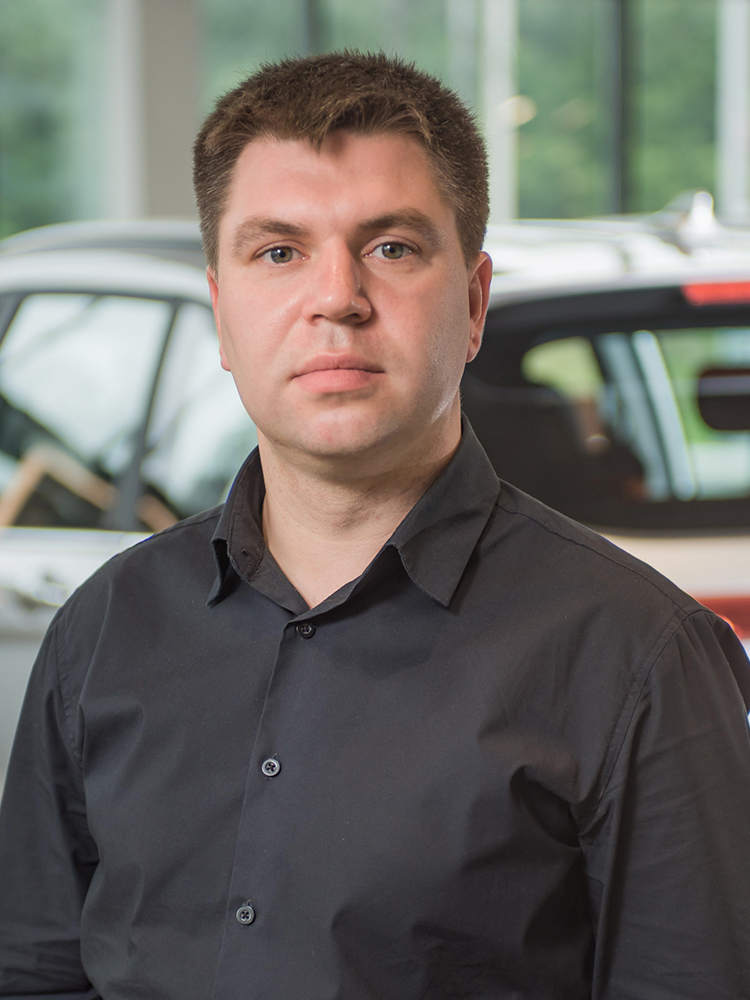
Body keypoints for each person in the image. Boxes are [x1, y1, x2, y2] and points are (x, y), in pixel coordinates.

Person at [1, 51, 750, 1000]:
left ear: (472, 304)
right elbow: (34, 976)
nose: (337, 298)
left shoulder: (636, 655)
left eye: (391, 247)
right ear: (223, 313)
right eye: (279, 252)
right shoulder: (104, 628)